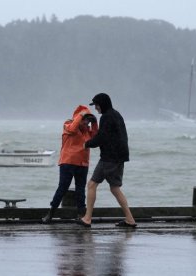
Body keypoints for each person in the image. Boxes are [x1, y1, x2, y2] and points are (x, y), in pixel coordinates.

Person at [77, 93, 137, 228]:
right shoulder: (116, 114)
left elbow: (101, 138)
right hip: (120, 157)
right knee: (115, 188)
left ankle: (87, 218)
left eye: (96, 105)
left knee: (92, 185)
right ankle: (130, 219)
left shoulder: (106, 117)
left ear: (102, 104)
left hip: (109, 157)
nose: (96, 108)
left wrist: (87, 144)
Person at [42, 105, 98, 224]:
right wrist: (81, 115)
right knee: (62, 188)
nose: (86, 122)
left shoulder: (87, 130)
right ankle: (51, 213)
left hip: (82, 163)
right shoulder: (68, 124)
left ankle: (81, 215)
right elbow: (73, 129)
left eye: (88, 120)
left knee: (80, 189)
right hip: (68, 162)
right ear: (78, 117)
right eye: (85, 119)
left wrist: (94, 123)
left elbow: (95, 138)